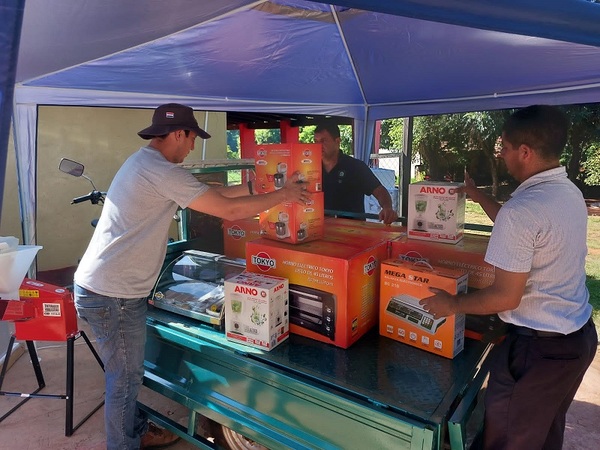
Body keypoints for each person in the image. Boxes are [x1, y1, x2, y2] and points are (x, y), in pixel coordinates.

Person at [73, 103, 309, 450]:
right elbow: (227, 211)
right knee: (124, 380)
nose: (190, 149)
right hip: (113, 295)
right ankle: (123, 443)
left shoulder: (148, 164)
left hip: (108, 289)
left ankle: (134, 431)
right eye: (192, 140)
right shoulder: (160, 170)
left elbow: (214, 196)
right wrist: (284, 196)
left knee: (123, 374)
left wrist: (261, 190)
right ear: (179, 134)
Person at [420, 105, 598, 450]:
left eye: (503, 147)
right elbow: (515, 222)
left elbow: (505, 297)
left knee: (505, 440)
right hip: (576, 341)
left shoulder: (524, 210)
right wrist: (475, 195)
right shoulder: (568, 193)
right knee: (543, 435)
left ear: (525, 152)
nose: (500, 156)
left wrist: (451, 303)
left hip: (538, 351)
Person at [313, 123, 398, 224]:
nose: (318, 146)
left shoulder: (355, 167)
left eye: (323, 141)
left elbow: (380, 191)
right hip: (319, 229)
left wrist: (387, 208)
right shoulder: (309, 168)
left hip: (352, 231)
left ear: (337, 141)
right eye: (316, 141)